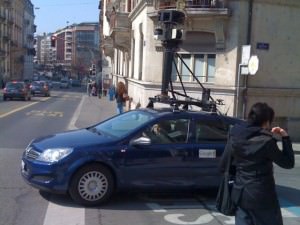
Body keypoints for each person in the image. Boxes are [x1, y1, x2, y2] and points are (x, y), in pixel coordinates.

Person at [219, 102, 294, 225]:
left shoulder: (235, 135)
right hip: (263, 196)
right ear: (266, 121)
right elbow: (288, 163)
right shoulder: (266, 141)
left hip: (240, 193)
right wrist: (285, 138)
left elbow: (223, 165)